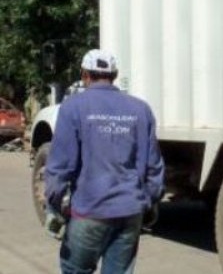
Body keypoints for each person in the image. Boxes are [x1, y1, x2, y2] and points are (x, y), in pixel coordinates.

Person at [44, 49, 164, 274]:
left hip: (89, 212)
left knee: (75, 269)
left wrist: (54, 204)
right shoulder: (141, 109)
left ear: (85, 75)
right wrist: (150, 200)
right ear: (114, 75)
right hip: (130, 212)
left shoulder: (73, 107)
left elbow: (61, 166)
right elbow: (153, 166)